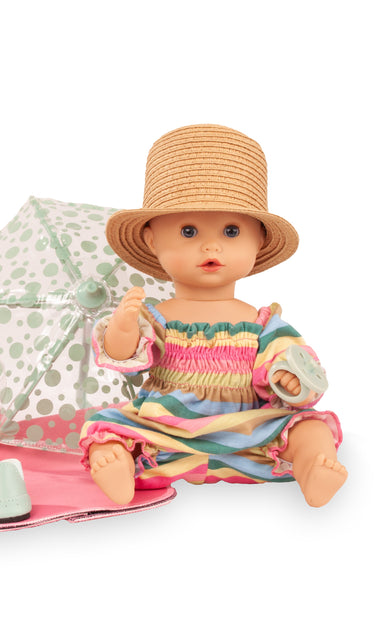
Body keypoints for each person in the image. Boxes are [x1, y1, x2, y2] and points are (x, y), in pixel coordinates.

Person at [79, 124, 347, 507]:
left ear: (259, 241)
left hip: (247, 428)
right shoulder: (155, 318)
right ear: (153, 241)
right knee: (105, 426)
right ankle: (116, 463)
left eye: (231, 231)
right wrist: (122, 328)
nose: (211, 246)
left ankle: (310, 463)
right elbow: (124, 357)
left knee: (307, 426)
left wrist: (287, 379)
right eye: (188, 231)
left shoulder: (262, 323)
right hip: (165, 426)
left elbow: (300, 367)